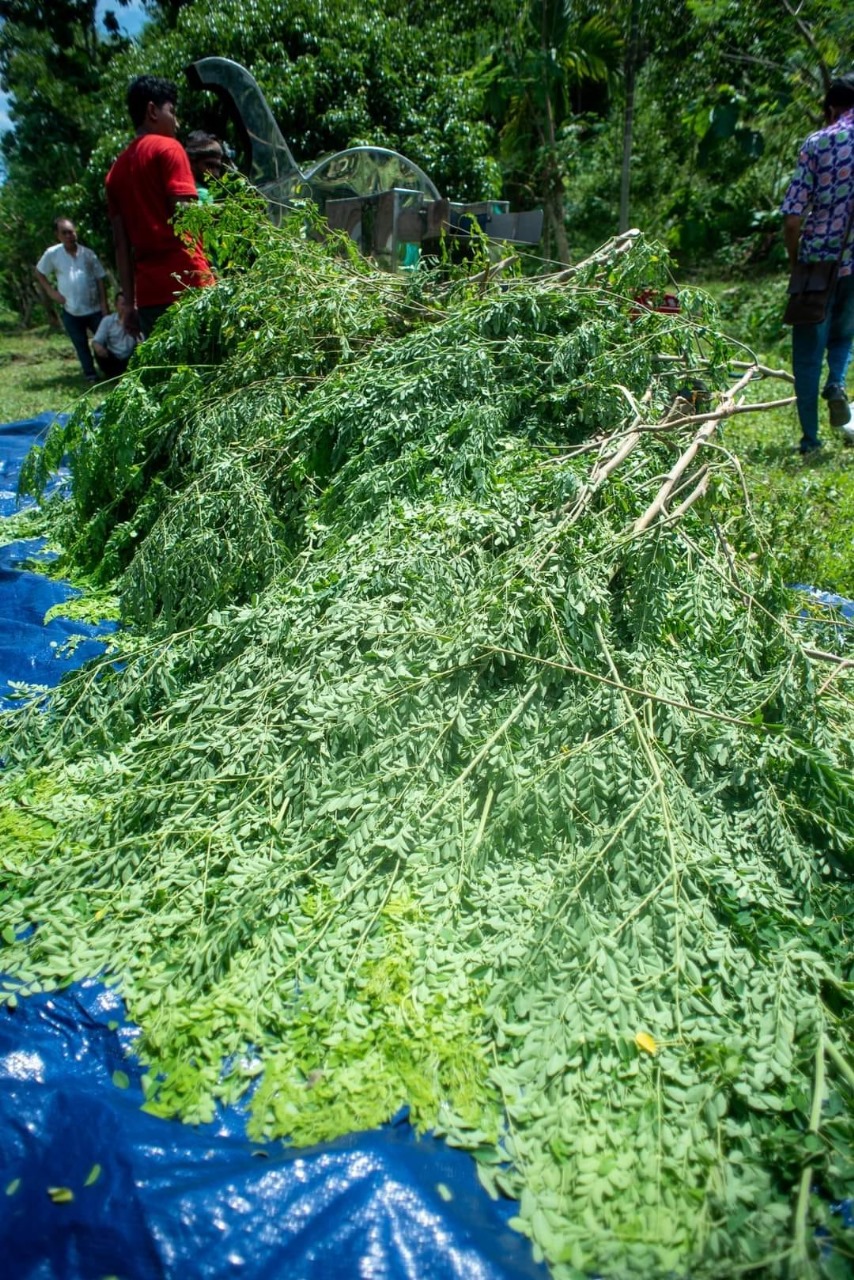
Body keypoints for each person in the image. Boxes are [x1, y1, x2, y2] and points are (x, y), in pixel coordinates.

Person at [105, 75, 215, 339]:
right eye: (172, 112)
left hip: (149, 296)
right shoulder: (169, 149)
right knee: (209, 370)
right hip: (188, 283)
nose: (176, 123)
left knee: (169, 376)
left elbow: (121, 246)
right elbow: (186, 217)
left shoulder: (115, 173)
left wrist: (130, 303)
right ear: (152, 111)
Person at [781, 74, 854, 454]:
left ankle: (810, 441)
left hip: (816, 263)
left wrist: (796, 261)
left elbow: (793, 218)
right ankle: (837, 383)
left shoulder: (818, 142)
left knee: (808, 355)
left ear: (831, 109)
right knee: (845, 335)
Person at [35, 218, 108, 383]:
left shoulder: (88, 254)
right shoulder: (53, 254)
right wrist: (51, 292)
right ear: (57, 235)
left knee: (103, 341)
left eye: (71, 231)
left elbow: (100, 279)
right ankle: (91, 375)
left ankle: (110, 371)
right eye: (65, 233)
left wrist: (104, 305)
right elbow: (39, 273)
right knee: (81, 344)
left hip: (94, 308)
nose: (69, 235)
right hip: (71, 310)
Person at [92, 291, 138, 378]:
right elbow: (96, 341)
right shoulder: (108, 320)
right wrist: (99, 348)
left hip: (130, 358)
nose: (126, 308)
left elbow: (142, 341)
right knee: (98, 351)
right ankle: (112, 374)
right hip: (113, 358)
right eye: (123, 304)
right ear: (116, 306)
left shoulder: (137, 320)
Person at [185, 131, 225, 203]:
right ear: (192, 163)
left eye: (218, 168)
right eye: (209, 165)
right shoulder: (202, 194)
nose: (216, 174)